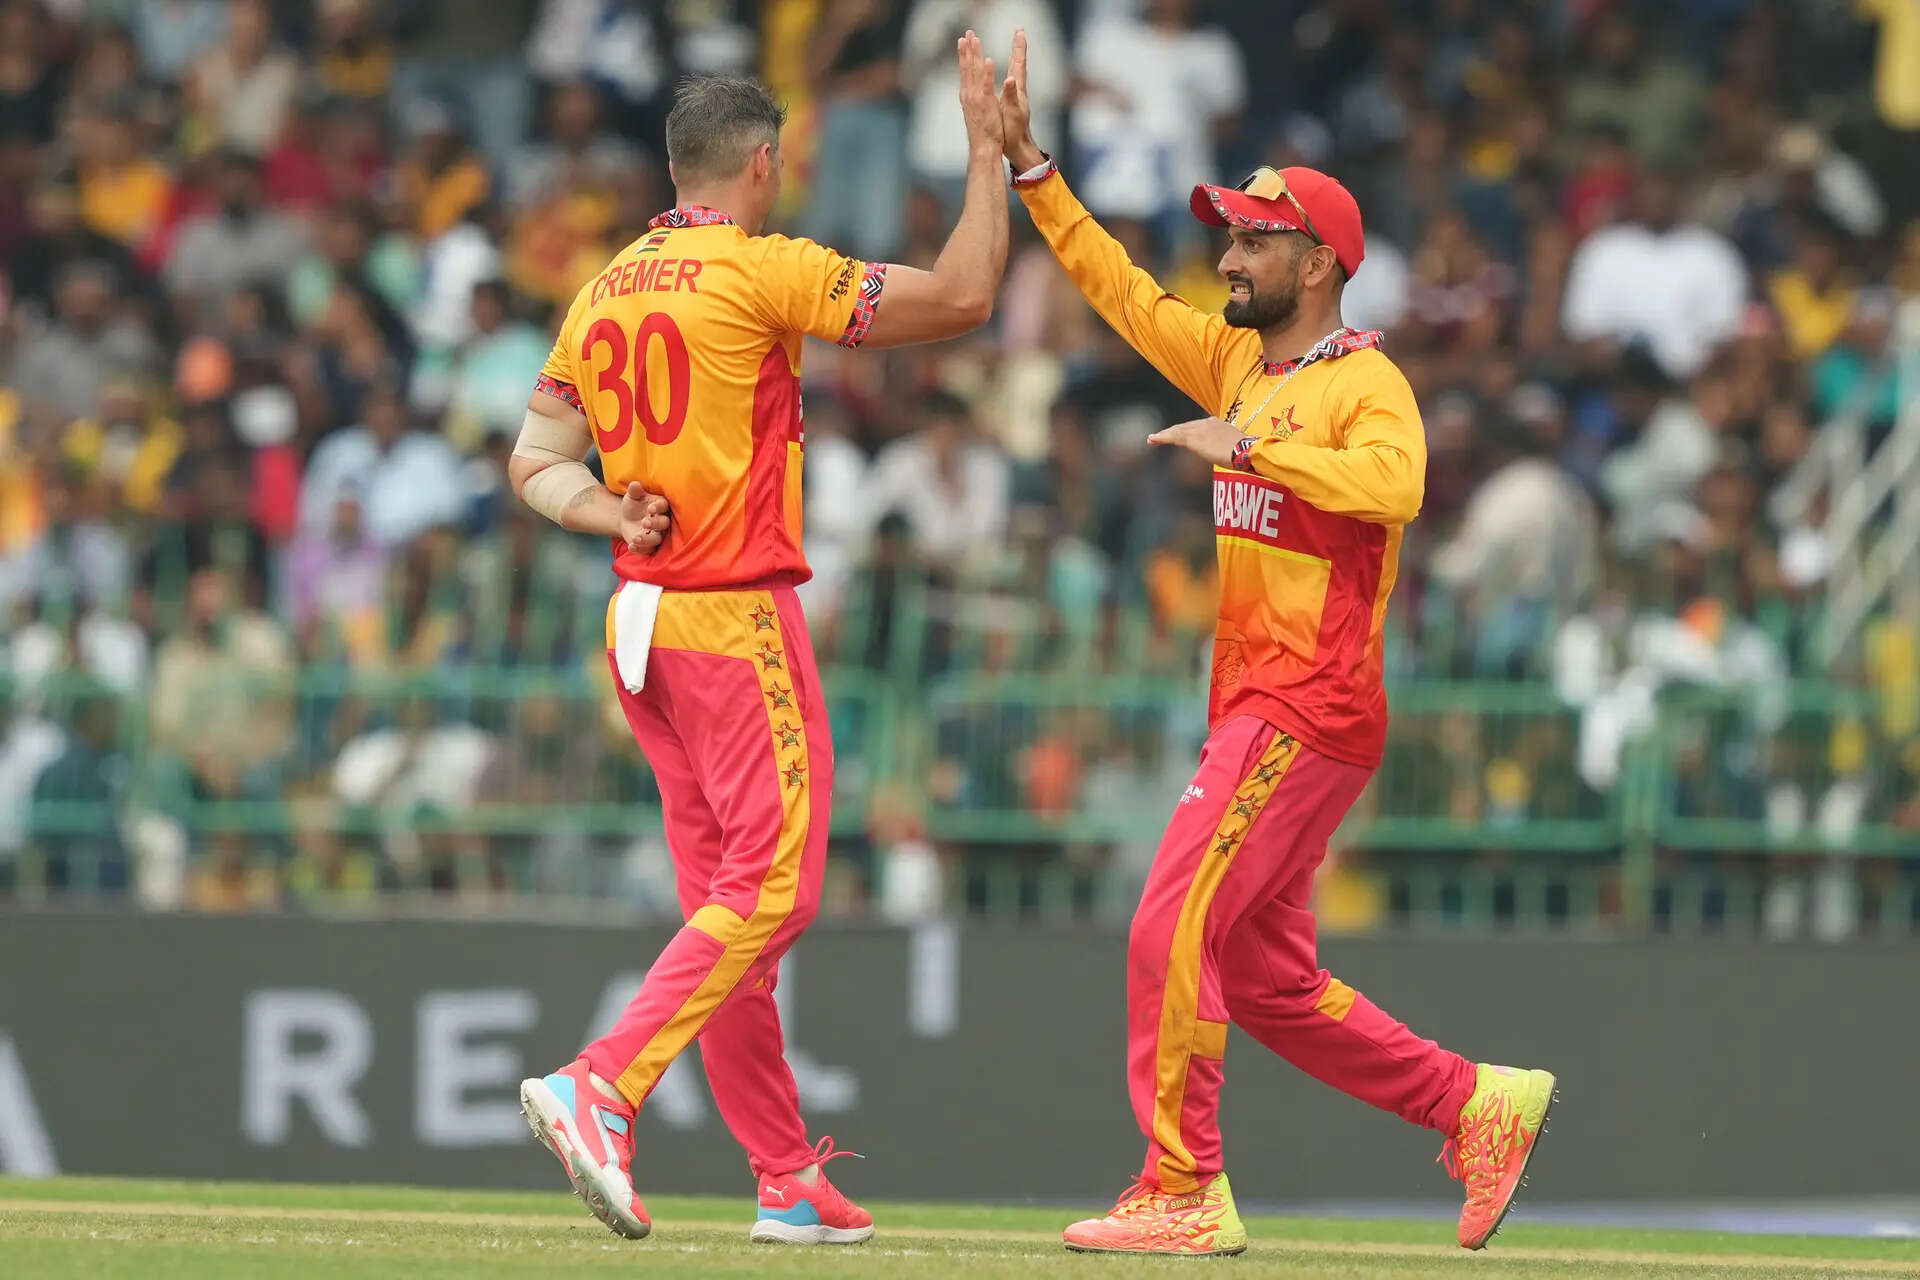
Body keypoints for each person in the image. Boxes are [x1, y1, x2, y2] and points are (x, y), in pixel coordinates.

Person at [997, 31, 1555, 1258]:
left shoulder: (1368, 381)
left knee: (1168, 924)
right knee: (1263, 981)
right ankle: (1474, 1104)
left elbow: (1395, 487)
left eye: (1252, 238)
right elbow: (1126, 294)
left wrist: (1247, 447)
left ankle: (1183, 1182)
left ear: (1317, 258)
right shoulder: (1239, 357)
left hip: (1307, 702)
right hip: (1266, 703)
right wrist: (1036, 174)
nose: (1227, 254)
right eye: (1230, 235)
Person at [509, 39, 1009, 1246]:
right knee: (774, 885)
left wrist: (602, 506)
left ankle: (784, 1174)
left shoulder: (606, 288)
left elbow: (532, 462)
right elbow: (963, 297)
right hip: (733, 614)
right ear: (764, 164)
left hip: (641, 624)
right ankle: (605, 1080)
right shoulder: (759, 269)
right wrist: (990, 157)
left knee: (724, 909)